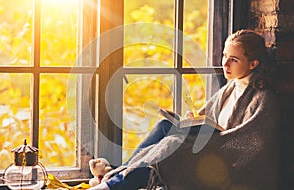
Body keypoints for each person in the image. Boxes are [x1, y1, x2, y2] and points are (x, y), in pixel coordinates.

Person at [89, 29, 279, 190]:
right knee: (166, 125)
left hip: (222, 154)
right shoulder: (232, 86)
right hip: (210, 142)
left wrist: (213, 139)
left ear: (253, 64)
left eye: (234, 60)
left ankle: (112, 183)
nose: (225, 64)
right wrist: (192, 119)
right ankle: (118, 175)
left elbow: (252, 144)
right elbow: (207, 116)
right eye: (224, 56)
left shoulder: (263, 98)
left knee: (170, 149)